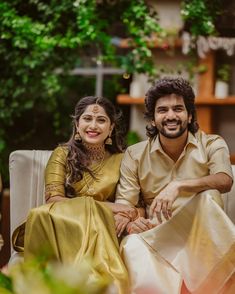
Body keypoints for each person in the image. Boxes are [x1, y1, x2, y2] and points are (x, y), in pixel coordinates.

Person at [115, 77, 235, 293]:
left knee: (208, 195)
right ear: (152, 119)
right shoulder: (135, 154)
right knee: (132, 244)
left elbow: (225, 180)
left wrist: (179, 185)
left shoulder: (211, 144)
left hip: (202, 236)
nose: (170, 116)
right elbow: (124, 206)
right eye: (162, 110)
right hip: (157, 235)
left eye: (178, 109)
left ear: (189, 116)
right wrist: (132, 224)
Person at [13, 96, 140, 294]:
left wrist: (123, 213)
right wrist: (111, 206)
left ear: (111, 127)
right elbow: (54, 199)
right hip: (65, 223)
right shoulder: (62, 153)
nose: (93, 125)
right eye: (87, 118)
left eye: (101, 120)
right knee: (39, 214)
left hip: (102, 227)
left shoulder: (123, 159)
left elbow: (132, 204)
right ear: (77, 124)